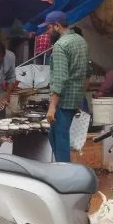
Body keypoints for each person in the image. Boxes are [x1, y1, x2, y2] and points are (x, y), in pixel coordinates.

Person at [40, 11, 89, 163]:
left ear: (57, 26)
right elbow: (88, 72)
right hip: (75, 99)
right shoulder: (80, 41)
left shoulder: (61, 45)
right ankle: (61, 169)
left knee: (60, 138)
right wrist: (81, 97)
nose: (47, 33)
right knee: (54, 135)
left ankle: (64, 174)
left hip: (63, 101)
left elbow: (60, 78)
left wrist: (52, 106)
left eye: (48, 29)